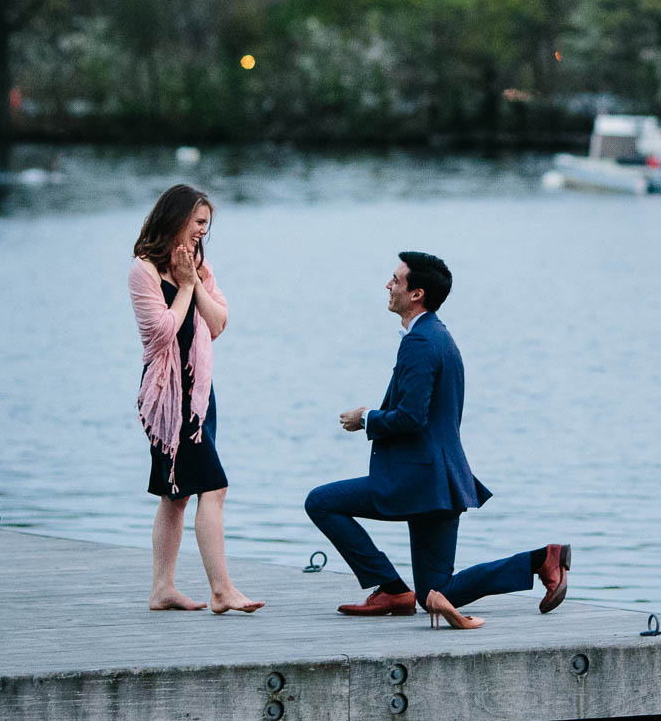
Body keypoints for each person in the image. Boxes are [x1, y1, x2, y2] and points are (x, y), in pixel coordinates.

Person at [304, 251, 569, 629]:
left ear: (417, 294)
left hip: (417, 480)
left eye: (396, 280)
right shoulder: (438, 336)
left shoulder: (420, 342)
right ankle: (542, 559)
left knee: (321, 503)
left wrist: (366, 419)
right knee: (437, 592)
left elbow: (412, 417)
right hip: (442, 480)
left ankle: (392, 589)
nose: (388, 285)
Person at [129, 184, 262, 615]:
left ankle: (161, 589)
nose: (203, 231)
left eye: (207, 224)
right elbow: (162, 331)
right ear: (177, 218)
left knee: (177, 494)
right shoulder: (143, 271)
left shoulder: (202, 267)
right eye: (199, 222)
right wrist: (184, 287)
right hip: (169, 394)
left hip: (201, 391)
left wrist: (196, 282)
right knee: (214, 487)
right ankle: (221, 590)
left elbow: (219, 323)